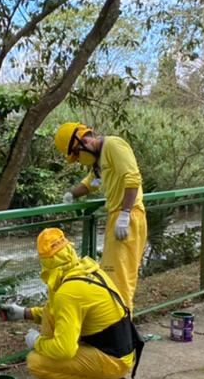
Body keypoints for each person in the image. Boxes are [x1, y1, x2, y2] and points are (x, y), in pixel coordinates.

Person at [2, 228, 143, 379]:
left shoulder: (69, 292)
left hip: (113, 359)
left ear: (46, 261)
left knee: (36, 361)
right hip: (118, 350)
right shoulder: (83, 269)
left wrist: (37, 342)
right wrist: (24, 313)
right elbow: (56, 312)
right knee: (52, 325)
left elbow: (64, 349)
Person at [53, 121, 147, 311]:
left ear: (84, 140)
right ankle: (120, 328)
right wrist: (71, 194)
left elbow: (133, 178)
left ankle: (122, 331)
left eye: (77, 154)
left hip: (128, 216)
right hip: (118, 216)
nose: (79, 160)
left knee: (118, 280)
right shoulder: (101, 160)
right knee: (114, 276)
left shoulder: (113, 145)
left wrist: (125, 213)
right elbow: (92, 183)